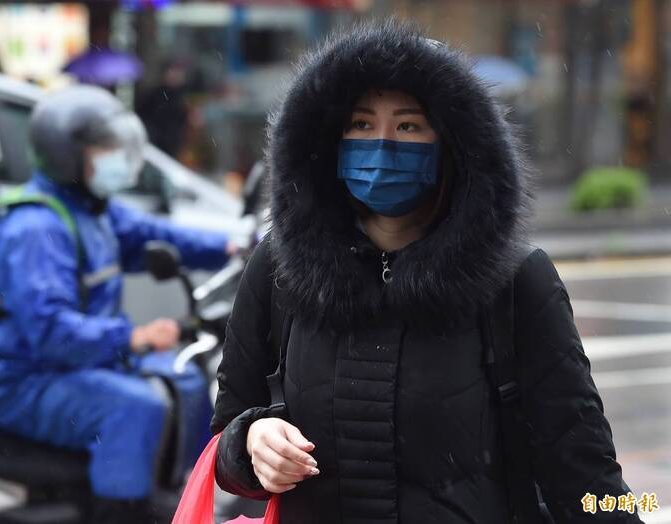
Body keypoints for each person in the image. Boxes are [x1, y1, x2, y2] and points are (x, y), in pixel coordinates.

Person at [211, 22, 640, 523]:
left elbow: (587, 478)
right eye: (362, 125)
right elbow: (225, 445)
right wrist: (250, 441)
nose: (383, 146)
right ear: (330, 138)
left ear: (451, 144)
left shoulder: (516, 280)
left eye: (409, 126)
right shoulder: (280, 266)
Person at [0, 85, 237, 523]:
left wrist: (238, 245)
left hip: (66, 366)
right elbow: (50, 331)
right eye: (105, 148)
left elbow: (160, 236)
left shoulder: (93, 211)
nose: (120, 157)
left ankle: (176, 497)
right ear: (67, 155)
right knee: (132, 406)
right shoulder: (36, 228)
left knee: (182, 379)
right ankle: (121, 511)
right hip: (14, 376)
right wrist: (135, 337)